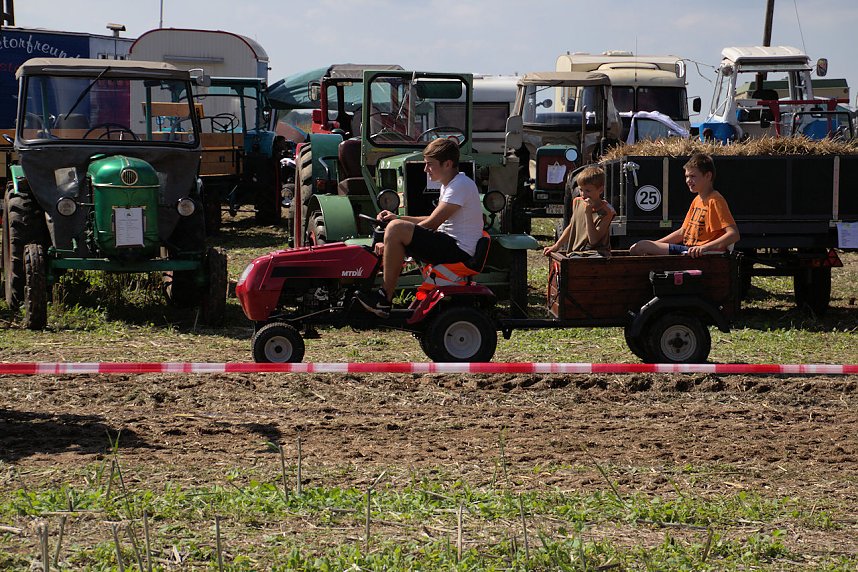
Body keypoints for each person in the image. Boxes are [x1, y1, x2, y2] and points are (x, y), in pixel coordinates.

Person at [356, 137, 484, 317]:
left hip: (458, 250)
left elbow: (432, 224)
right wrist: (398, 218)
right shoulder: (451, 185)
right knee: (395, 227)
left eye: (430, 164)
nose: (425, 169)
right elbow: (432, 218)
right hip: (450, 244)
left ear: (447, 164)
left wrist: (395, 236)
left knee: (395, 229)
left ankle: (383, 298)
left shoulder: (460, 186)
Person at [629, 153, 739, 258]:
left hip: (702, 255)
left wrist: (704, 247)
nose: (688, 180)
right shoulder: (697, 199)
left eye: (693, 176)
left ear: (708, 176)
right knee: (640, 247)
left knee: (641, 247)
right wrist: (654, 244)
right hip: (688, 250)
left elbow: (733, 234)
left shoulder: (715, 200)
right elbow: (683, 232)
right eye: (686, 176)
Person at [543, 165, 615, 258]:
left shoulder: (607, 212)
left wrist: (588, 213)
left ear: (600, 190)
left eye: (588, 191)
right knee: (575, 261)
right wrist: (556, 246)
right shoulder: (577, 202)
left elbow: (593, 240)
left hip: (597, 253)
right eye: (581, 190)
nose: (583, 194)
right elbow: (572, 225)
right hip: (576, 252)